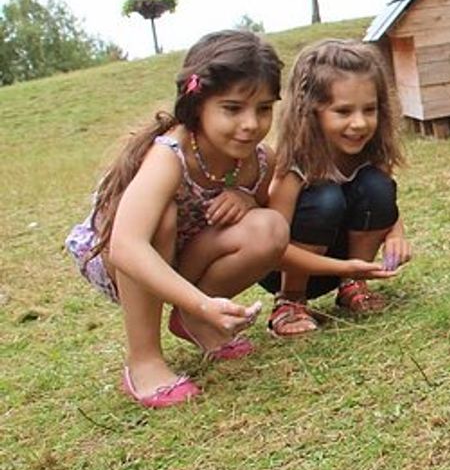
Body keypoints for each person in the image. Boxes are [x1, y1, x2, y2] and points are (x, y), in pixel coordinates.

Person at [64, 30, 289, 408]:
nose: (251, 123)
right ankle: (144, 360)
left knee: (270, 227)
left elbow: (270, 220)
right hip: (119, 257)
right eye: (233, 108)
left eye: (264, 108)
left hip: (187, 254)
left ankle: (192, 322)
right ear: (196, 103)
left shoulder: (259, 160)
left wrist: (246, 201)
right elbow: (126, 245)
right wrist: (204, 301)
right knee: (162, 220)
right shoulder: (169, 154)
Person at [260, 39, 411, 337]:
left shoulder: (368, 152)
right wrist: (344, 267)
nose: (359, 123)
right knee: (325, 197)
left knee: (378, 187)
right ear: (311, 111)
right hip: (286, 266)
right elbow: (272, 247)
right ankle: (289, 302)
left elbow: (386, 206)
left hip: (346, 264)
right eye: (343, 112)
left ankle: (352, 288)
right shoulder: (292, 166)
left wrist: (396, 235)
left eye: (369, 109)